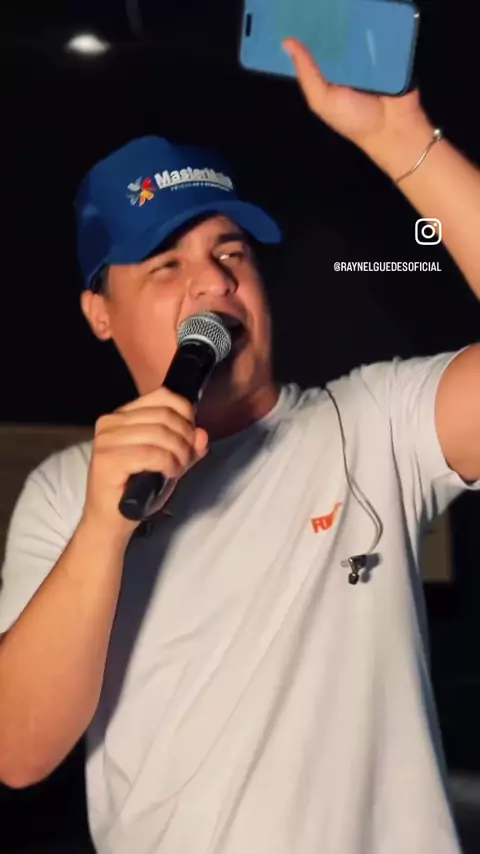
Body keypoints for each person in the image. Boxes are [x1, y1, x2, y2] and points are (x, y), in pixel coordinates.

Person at [0, 38, 479, 854]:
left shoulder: (372, 425)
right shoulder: (65, 491)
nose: (215, 281)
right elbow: (18, 752)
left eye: (231, 253)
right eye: (165, 264)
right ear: (100, 313)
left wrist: (405, 142)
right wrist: (104, 532)